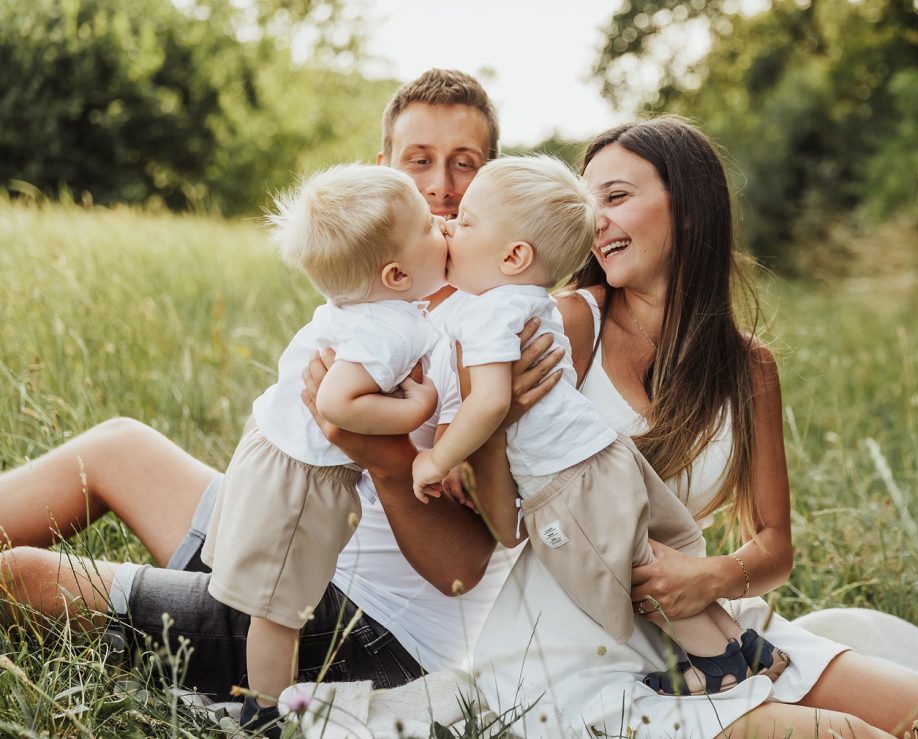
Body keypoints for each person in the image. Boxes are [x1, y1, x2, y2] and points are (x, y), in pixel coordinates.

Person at [0, 69, 546, 729]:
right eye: (419, 161)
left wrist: (384, 453)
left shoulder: (488, 334)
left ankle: (263, 704)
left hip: (365, 623)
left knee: (23, 577)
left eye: (466, 164)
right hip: (293, 522)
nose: (441, 185)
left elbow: (469, 571)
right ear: (383, 174)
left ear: (491, 180)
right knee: (119, 446)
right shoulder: (381, 290)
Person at [468, 117, 918, 738]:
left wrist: (711, 576)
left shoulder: (749, 367)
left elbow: (773, 546)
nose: (594, 219)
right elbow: (507, 517)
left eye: (617, 197)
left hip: (709, 621)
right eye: (585, 200)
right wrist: (490, 429)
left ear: (689, 210)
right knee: (843, 735)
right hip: (576, 640)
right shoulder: (566, 326)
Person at [413, 155, 788, 696]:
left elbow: (489, 401)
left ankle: (717, 663)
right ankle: (737, 645)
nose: (450, 225)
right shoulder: (536, 306)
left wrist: (439, 456)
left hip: (567, 481)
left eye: (615, 197)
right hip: (602, 466)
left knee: (631, 568)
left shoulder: (490, 312)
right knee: (640, 557)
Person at [199, 164, 450, 730]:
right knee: (280, 611)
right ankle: (264, 711)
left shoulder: (372, 308)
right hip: (302, 477)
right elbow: (337, 403)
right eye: (430, 228)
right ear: (394, 273)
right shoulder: (391, 329)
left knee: (265, 589)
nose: (443, 225)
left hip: (275, 449)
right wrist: (417, 409)